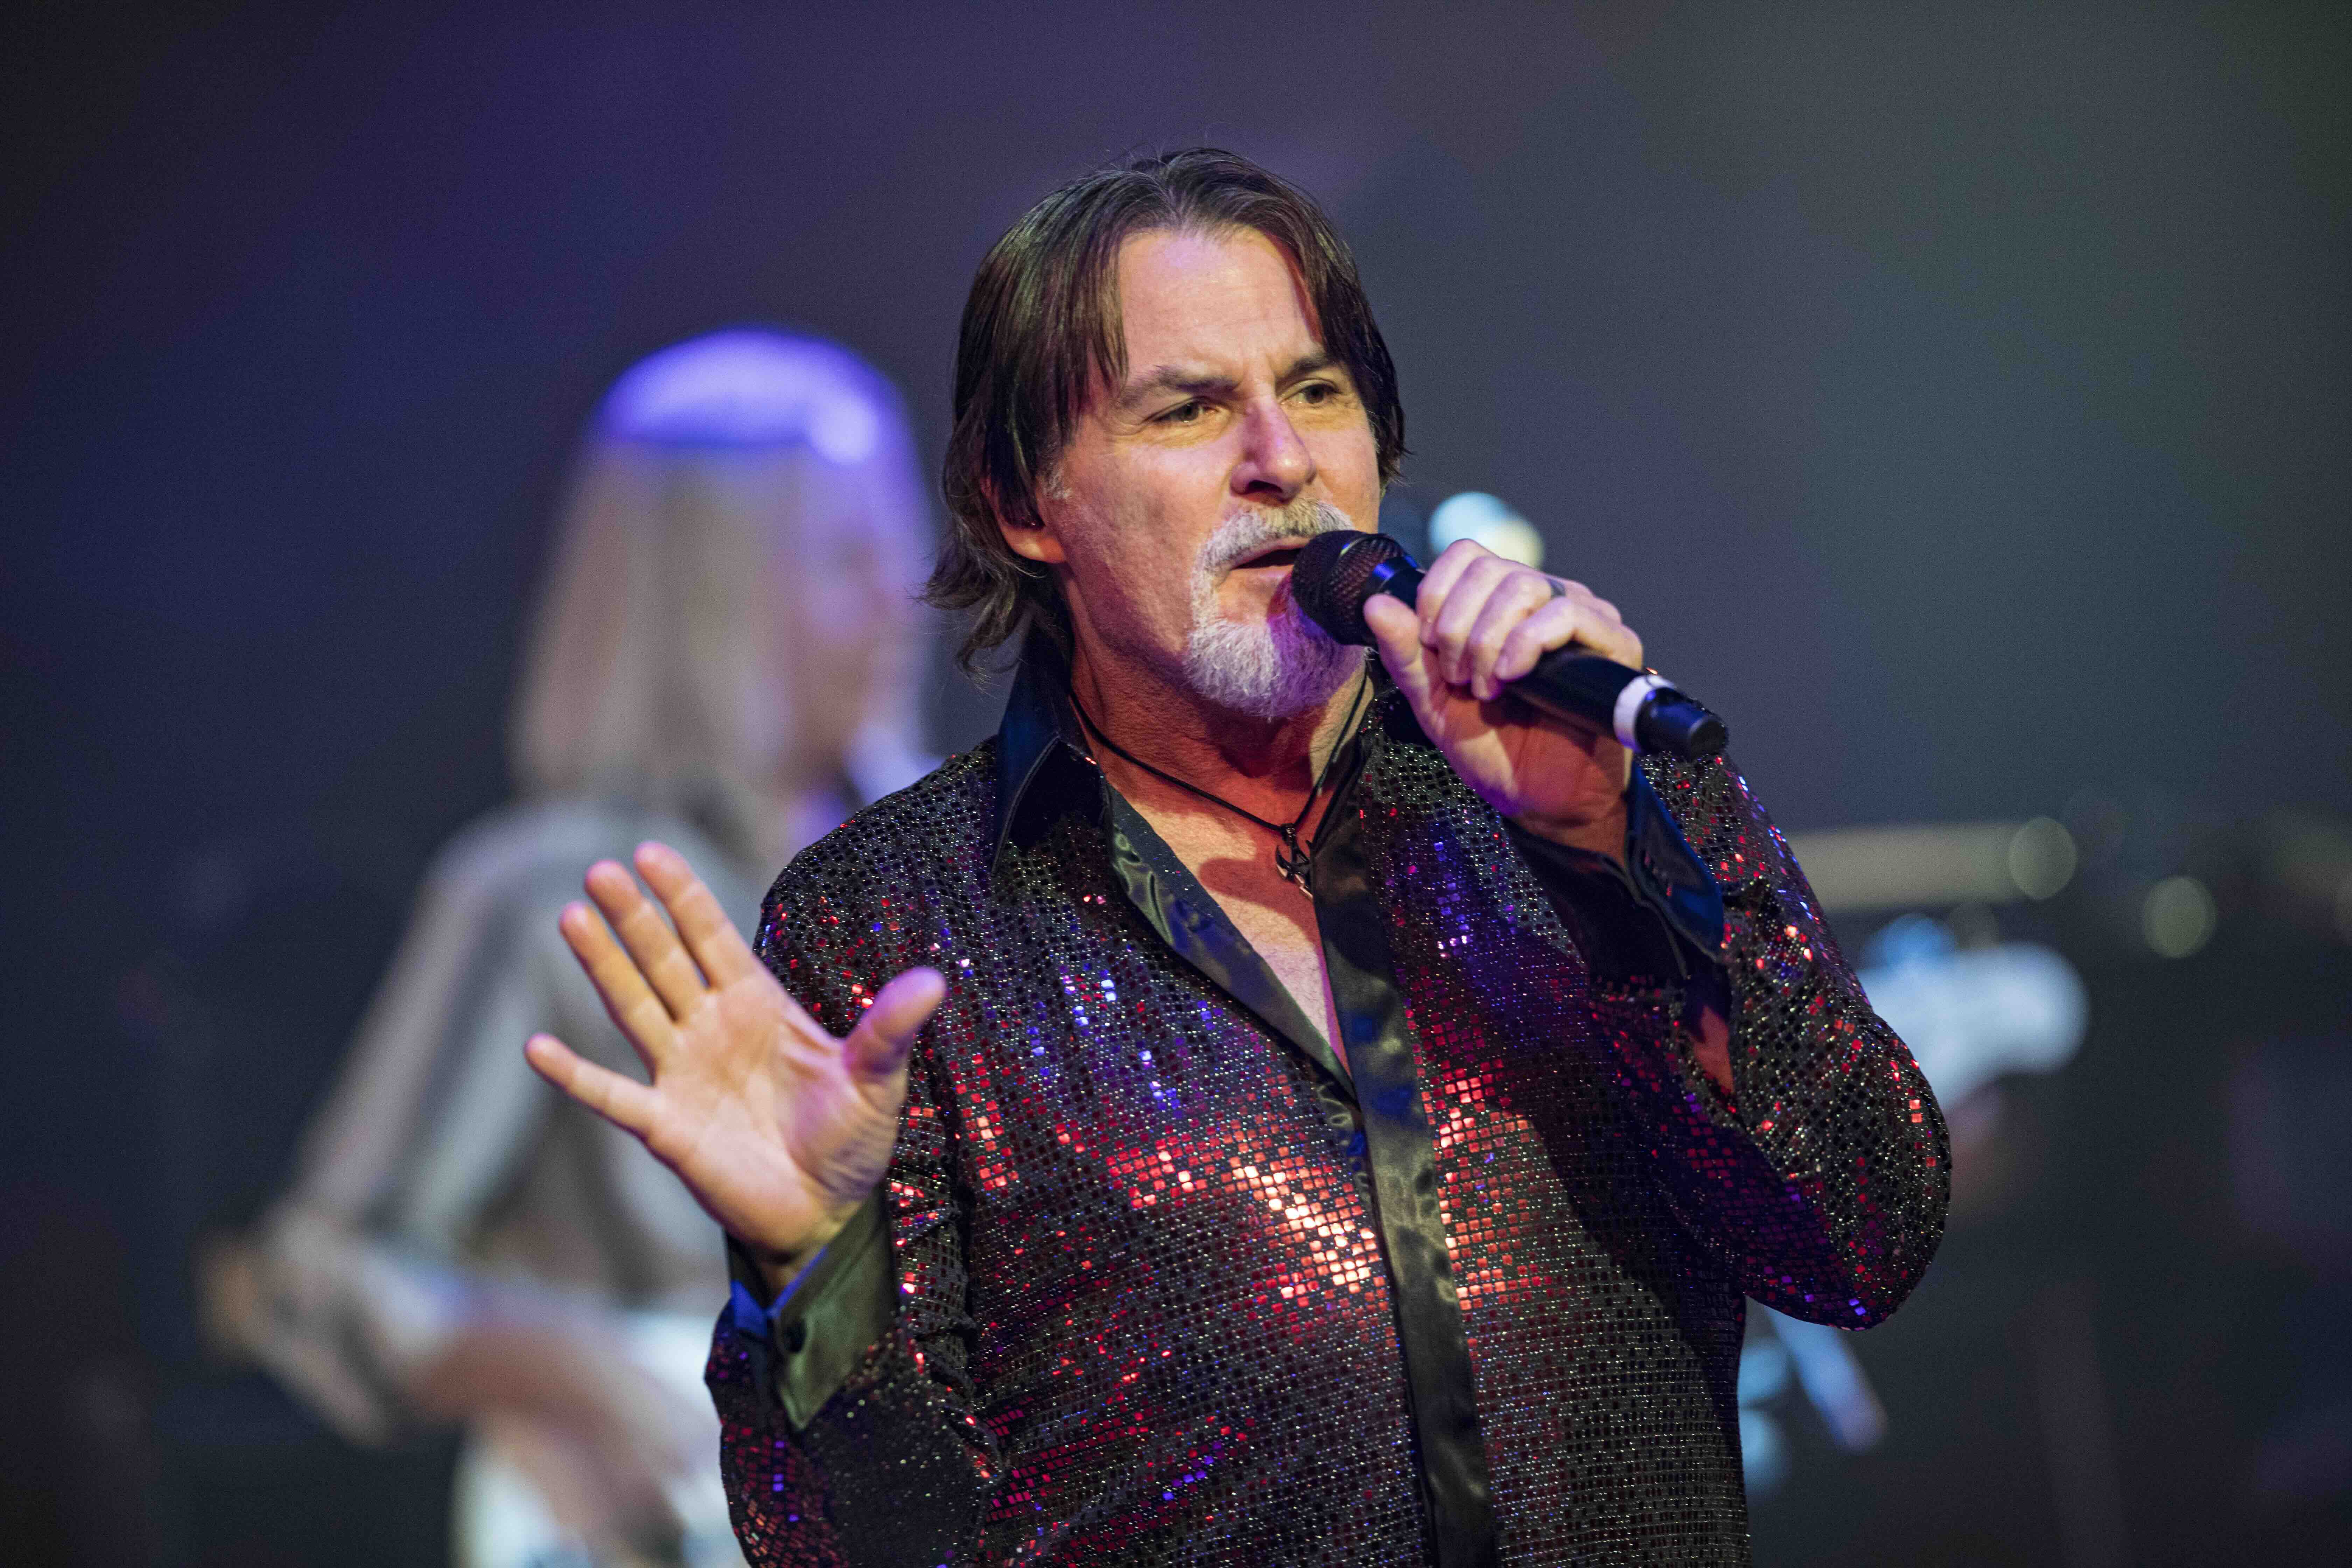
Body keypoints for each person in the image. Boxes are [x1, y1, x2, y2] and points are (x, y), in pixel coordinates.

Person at [525, 151, 1949, 1566]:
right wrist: (816, 1272)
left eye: (1318, 391)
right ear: (1027, 503)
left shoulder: (1568, 800)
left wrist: (1617, 855)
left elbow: (1862, 1236)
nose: (1283, 460)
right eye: (1190, 408)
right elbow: (873, 1551)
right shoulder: (889, 921)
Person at [215, 329, 935, 1568]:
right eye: (845, 557)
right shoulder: (552, 891)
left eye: (901, 545)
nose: (901, 598)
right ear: (715, 596)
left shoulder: (957, 868)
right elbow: (318, 1267)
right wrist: (561, 1378)